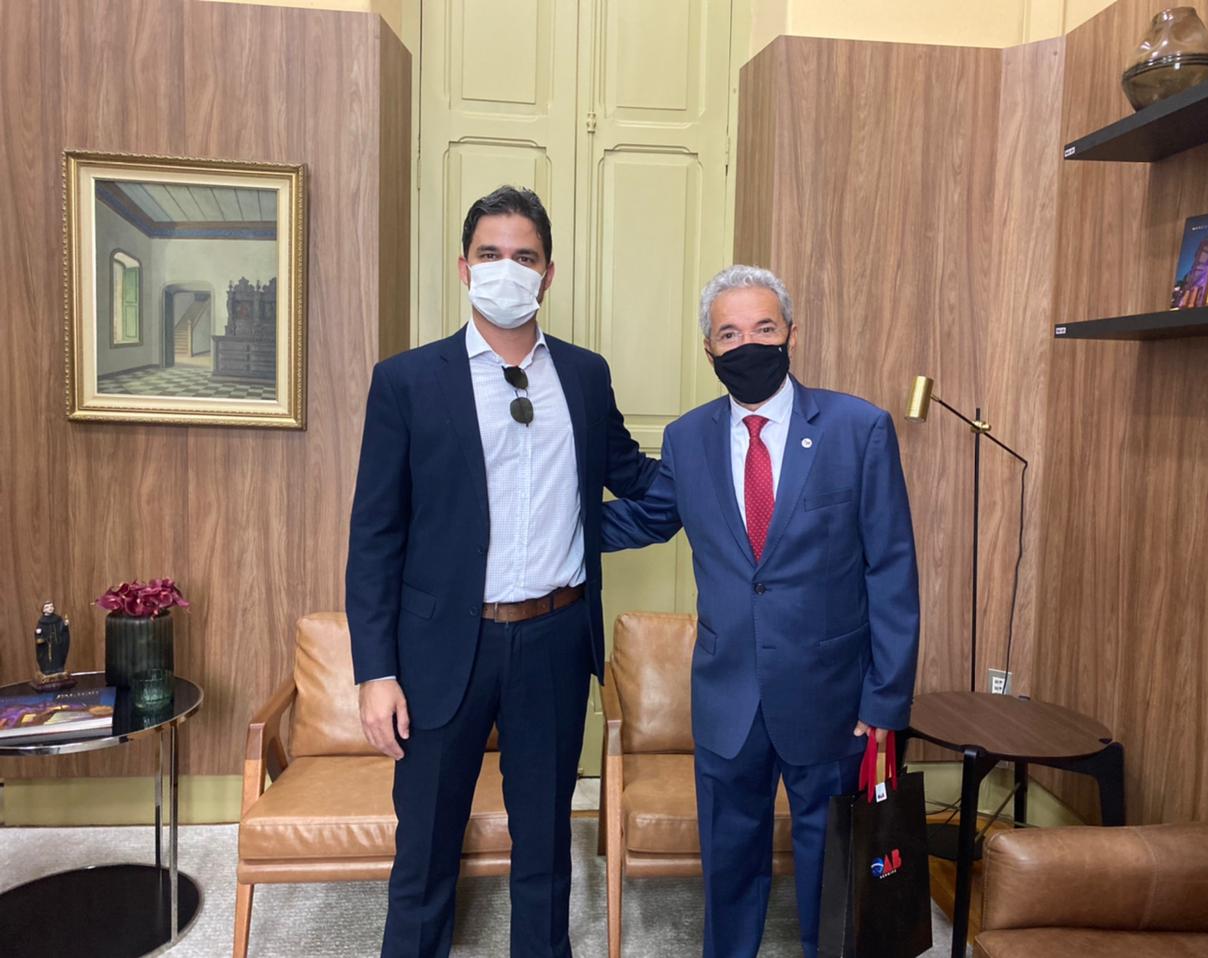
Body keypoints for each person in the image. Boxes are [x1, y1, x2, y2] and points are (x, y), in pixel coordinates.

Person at [346, 185, 657, 958]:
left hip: (554, 639)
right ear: (464, 268)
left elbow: (633, 477)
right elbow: (375, 536)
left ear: (548, 274)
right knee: (424, 850)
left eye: (524, 256)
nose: (507, 269)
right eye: (491, 254)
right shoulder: (407, 381)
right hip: (440, 648)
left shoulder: (584, 376)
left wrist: (726, 461)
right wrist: (375, 672)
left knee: (545, 848)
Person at [602, 265, 920, 958]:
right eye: (730, 333)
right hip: (728, 696)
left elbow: (892, 570)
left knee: (831, 869)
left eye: (764, 328)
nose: (748, 344)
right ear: (709, 349)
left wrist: (886, 701)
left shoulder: (858, 428)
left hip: (833, 698)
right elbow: (648, 518)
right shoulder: (688, 438)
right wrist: (536, 530)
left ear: (791, 335)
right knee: (730, 866)